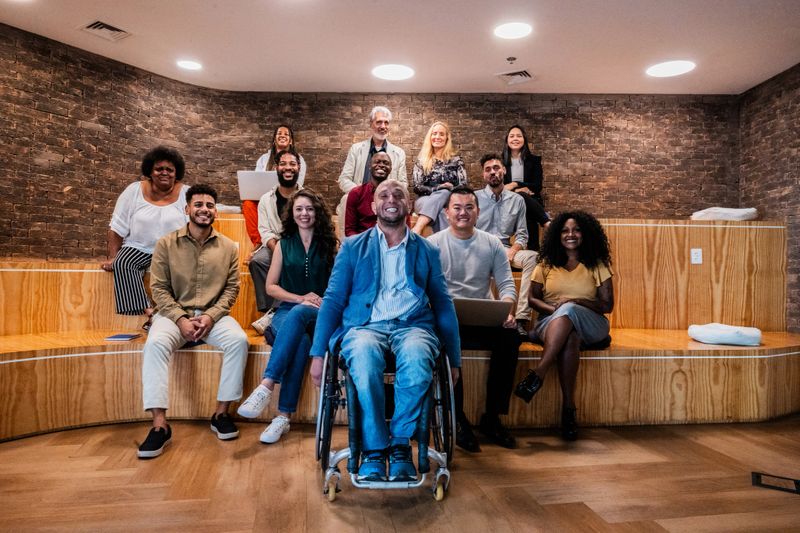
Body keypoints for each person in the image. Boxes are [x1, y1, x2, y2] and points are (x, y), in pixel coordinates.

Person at [308, 179, 461, 483]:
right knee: (363, 361)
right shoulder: (352, 247)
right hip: (365, 327)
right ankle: (375, 449)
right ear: (374, 206)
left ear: (410, 205)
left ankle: (400, 446)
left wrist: (454, 359)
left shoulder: (427, 250)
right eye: (384, 196)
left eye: (398, 195)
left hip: (413, 325)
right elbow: (333, 301)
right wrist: (317, 353)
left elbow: (443, 304)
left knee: (418, 360)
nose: (391, 200)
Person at [137, 184, 248, 459]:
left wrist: (210, 316)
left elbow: (232, 289)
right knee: (155, 344)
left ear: (215, 212)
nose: (204, 210)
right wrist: (181, 319)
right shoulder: (166, 244)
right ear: (187, 209)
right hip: (173, 314)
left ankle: (221, 414)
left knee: (239, 340)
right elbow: (159, 289)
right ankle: (160, 426)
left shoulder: (228, 248)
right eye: (198, 205)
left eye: (210, 206)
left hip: (213, 316)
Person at [237, 189, 338, 443]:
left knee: (304, 313)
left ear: (318, 213)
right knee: (301, 342)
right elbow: (271, 287)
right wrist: (300, 297)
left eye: (310, 209)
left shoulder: (331, 245)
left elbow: (339, 285)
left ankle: (267, 384)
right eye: (299, 209)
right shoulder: (283, 245)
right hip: (286, 311)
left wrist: (319, 302)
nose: (305, 214)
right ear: (292, 214)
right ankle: (282, 417)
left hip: (321, 313)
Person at [428, 186, 521, 452]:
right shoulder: (433, 244)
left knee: (511, 337)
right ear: (446, 214)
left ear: (478, 212)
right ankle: (458, 420)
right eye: (457, 208)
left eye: (469, 207)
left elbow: (506, 285)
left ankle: (492, 418)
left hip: (483, 318)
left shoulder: (491, 243)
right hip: (448, 322)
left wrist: (507, 310)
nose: (463, 213)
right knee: (444, 339)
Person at [514, 211, 614, 441]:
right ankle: (569, 411)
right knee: (570, 338)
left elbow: (607, 305)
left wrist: (575, 302)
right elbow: (532, 299)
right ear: (557, 235)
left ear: (585, 234)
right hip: (550, 321)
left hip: (592, 323)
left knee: (569, 311)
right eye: (565, 230)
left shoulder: (597, 264)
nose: (571, 235)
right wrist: (558, 310)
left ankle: (538, 373)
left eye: (576, 230)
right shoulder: (546, 263)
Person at [102, 146, 190, 329]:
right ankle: (152, 314)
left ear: (176, 173)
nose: (164, 173)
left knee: (186, 269)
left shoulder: (186, 193)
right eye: (159, 169)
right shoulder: (134, 190)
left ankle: (177, 315)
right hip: (138, 247)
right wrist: (113, 256)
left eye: (170, 170)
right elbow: (117, 226)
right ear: (150, 171)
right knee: (123, 263)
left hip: (173, 249)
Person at [475, 154, 538, 336]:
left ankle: (520, 319)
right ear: (483, 175)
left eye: (496, 168)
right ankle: (487, 319)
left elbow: (522, 234)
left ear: (503, 170)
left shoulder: (517, 200)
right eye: (488, 170)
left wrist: (513, 251)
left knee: (532, 257)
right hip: (480, 248)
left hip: (505, 249)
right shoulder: (475, 198)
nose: (493, 172)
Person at [249, 150, 303, 334]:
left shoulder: (306, 197)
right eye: (283, 164)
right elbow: (264, 231)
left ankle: (279, 311)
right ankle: (271, 310)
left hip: (300, 245)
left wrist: (293, 250)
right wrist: (279, 249)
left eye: (292, 164)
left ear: (299, 168)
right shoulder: (266, 199)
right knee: (258, 260)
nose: (288, 167)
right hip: (275, 245)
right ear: (276, 168)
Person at [243, 124, 306, 257]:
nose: (282, 135)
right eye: (279, 133)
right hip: (265, 197)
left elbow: (298, 183)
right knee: (248, 204)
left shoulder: (298, 160)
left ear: (291, 140)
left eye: (286, 134)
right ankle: (258, 242)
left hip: (289, 196)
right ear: (274, 139)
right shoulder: (263, 159)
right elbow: (255, 180)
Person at [337, 106, 407, 220]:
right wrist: (361, 193)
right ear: (371, 124)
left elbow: (403, 183)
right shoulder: (356, 149)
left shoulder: (399, 153)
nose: (383, 126)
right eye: (379, 122)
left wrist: (388, 195)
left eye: (386, 123)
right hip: (360, 198)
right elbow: (343, 179)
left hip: (387, 199)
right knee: (346, 199)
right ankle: (350, 238)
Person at [410, 121, 467, 234]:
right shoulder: (421, 161)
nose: (437, 137)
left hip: (449, 201)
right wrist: (438, 189)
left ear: (447, 138)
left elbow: (464, 185)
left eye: (441, 134)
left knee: (444, 200)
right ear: (430, 137)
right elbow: (417, 187)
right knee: (443, 196)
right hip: (424, 201)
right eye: (434, 133)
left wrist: (449, 189)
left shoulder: (456, 161)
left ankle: (418, 228)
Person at [501, 125, 550, 249]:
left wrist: (516, 184)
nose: (515, 139)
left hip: (531, 202)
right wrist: (518, 189)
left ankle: (533, 252)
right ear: (507, 140)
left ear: (524, 139)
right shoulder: (500, 161)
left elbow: (537, 186)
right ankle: (546, 222)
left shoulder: (534, 160)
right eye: (512, 136)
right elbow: (502, 188)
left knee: (526, 209)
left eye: (519, 136)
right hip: (507, 202)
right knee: (521, 196)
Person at [344, 152, 392, 236]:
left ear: (390, 168)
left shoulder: (397, 195)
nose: (381, 165)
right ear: (369, 166)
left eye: (386, 163)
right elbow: (349, 230)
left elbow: (404, 229)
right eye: (377, 162)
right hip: (362, 243)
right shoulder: (356, 193)